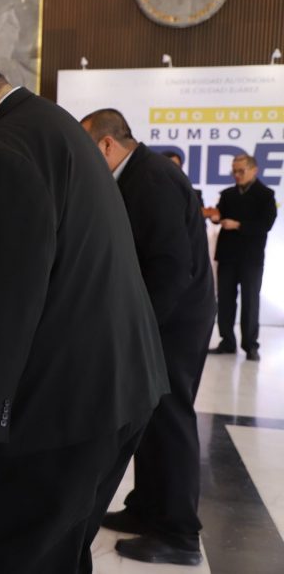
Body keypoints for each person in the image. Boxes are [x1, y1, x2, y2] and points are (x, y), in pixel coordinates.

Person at [0, 55, 168, 574]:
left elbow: (2, 291)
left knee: (19, 553)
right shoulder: (53, 127)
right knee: (60, 553)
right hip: (111, 391)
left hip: (59, 411)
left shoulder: (2, 152)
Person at [82, 109, 215, 567]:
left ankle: (179, 533)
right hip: (164, 319)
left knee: (171, 417)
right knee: (151, 416)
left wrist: (142, 331)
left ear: (106, 144)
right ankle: (147, 507)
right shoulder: (138, 174)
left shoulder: (151, 178)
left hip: (174, 322)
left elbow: (171, 268)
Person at [208, 154, 278, 361]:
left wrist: (238, 225)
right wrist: (215, 218)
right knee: (225, 300)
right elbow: (220, 215)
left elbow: (266, 224)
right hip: (227, 255)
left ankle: (250, 345)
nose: (237, 175)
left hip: (251, 257)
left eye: (241, 171)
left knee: (250, 300)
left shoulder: (266, 195)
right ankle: (227, 341)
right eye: (234, 171)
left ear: (254, 170)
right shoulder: (228, 194)